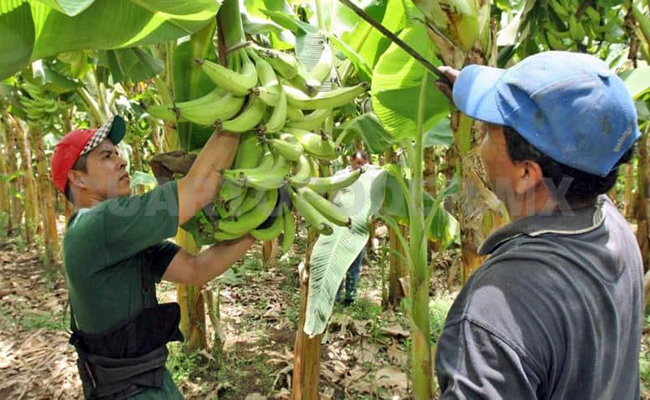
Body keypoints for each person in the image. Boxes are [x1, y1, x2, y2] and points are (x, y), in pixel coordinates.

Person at [432, 51, 643, 399]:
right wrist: (480, 95)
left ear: (527, 173)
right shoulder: (613, 228)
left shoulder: (501, 306)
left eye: (486, 131)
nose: (479, 143)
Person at [50, 117, 266, 399]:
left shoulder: (115, 237)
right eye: (106, 156)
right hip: (128, 392)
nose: (122, 161)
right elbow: (198, 190)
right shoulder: (98, 224)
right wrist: (241, 116)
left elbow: (195, 269)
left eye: (117, 152)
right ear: (78, 179)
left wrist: (257, 228)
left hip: (149, 379)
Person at [335, 151, 368, 305]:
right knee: (337, 262)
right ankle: (334, 297)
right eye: (358, 163)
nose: (359, 167)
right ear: (351, 160)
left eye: (362, 164)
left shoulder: (366, 177)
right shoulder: (340, 175)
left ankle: (350, 296)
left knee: (355, 263)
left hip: (358, 225)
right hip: (340, 223)